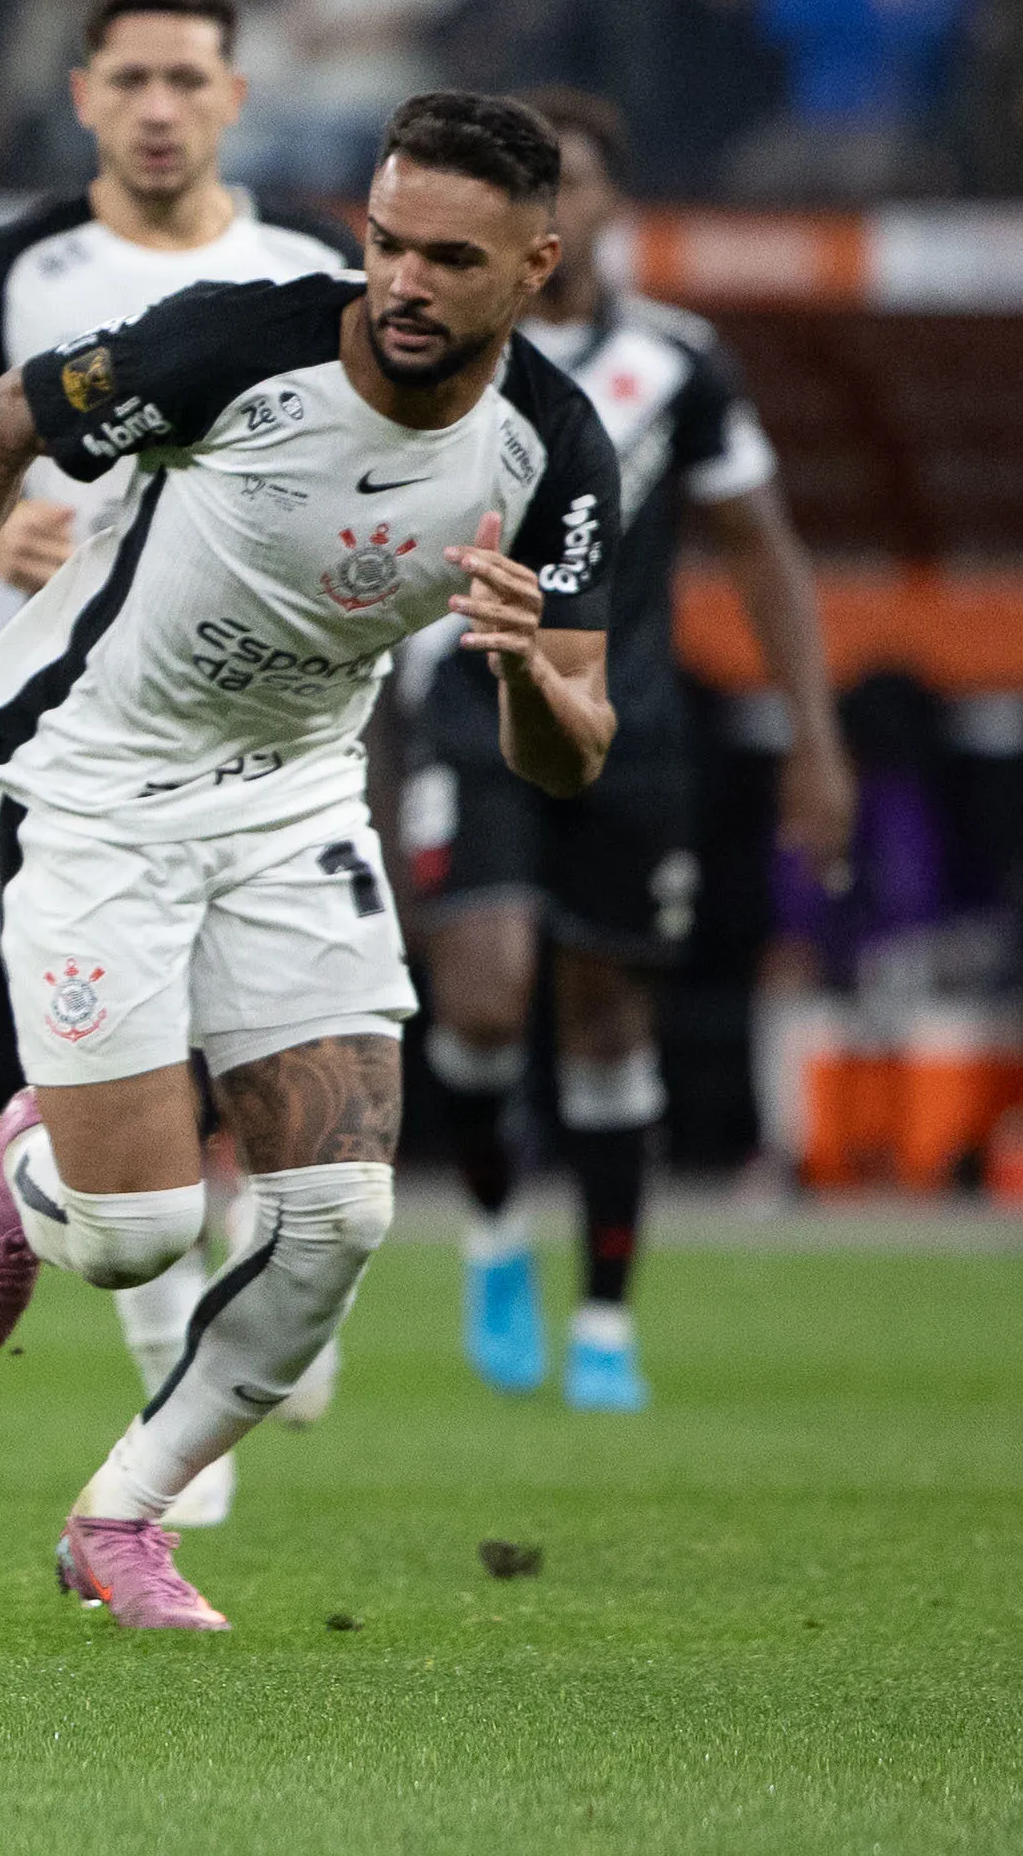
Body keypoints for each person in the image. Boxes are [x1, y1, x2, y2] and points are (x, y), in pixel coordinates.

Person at [0, 90, 620, 1630]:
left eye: (453, 257)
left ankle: (124, 1515)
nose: (406, 283)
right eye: (387, 242)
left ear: (535, 266)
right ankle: (35, 1167)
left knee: (343, 1215)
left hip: (293, 802)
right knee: (139, 1232)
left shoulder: (557, 449)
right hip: (94, 780)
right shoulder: (241, 341)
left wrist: (523, 670)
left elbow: (572, 743)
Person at [0, 0, 356, 1531]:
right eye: (127, 79)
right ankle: (164, 1399)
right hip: (69, 726)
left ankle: (208, 1241)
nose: (155, 107)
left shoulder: (312, 270)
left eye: (186, 80)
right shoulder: (21, 263)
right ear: (82, 95)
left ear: (233, 97)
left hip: (267, 723)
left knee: (255, 1058)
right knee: (139, 1059)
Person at [405, 86, 848, 1411]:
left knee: (606, 1017)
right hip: (464, 706)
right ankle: (492, 1236)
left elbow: (761, 550)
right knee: (483, 993)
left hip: (622, 724)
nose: (562, 206)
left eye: (579, 182)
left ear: (605, 207)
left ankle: (603, 1316)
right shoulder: (430, 349)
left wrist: (815, 743)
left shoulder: (678, 363)